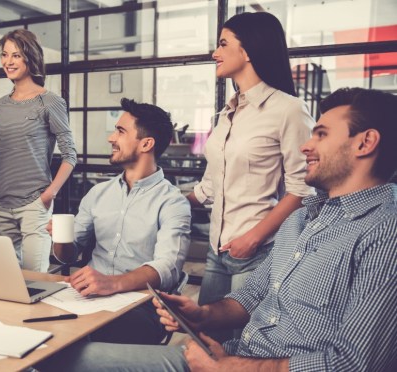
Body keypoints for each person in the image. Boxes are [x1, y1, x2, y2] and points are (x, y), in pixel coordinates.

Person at [43, 87, 397, 371]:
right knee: (62, 358)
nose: (306, 145)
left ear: (365, 143)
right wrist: (202, 314)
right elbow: (253, 296)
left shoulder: (384, 231)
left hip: (244, 364)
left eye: (320, 134)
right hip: (228, 356)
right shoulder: (302, 218)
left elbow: (356, 363)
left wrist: (234, 367)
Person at [186, 12, 315, 340]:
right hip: (218, 251)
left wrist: (253, 238)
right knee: (206, 341)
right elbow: (210, 186)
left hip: (257, 253)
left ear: (248, 51)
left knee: (245, 347)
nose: (215, 53)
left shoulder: (288, 110)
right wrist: (159, 198)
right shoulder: (228, 113)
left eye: (223, 44)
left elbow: (303, 191)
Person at [50, 98, 191, 345]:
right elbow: (69, 256)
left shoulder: (173, 202)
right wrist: (61, 239)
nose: (111, 138)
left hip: (140, 306)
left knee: (80, 340)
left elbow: (167, 267)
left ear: (146, 144)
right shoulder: (98, 193)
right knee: (39, 323)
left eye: (121, 131)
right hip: (88, 298)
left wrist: (111, 284)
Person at [0, 29, 77, 272]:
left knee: (35, 280)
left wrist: (49, 195)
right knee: (6, 280)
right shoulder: (1, 105)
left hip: (34, 204)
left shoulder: (50, 101)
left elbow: (70, 156)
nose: (8, 61)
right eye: (5, 55)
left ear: (30, 57)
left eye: (16, 55)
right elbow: (7, 150)